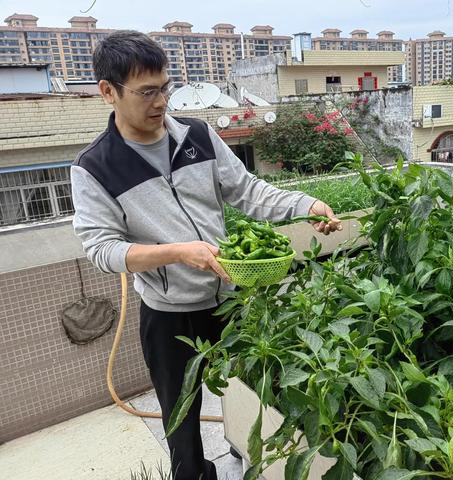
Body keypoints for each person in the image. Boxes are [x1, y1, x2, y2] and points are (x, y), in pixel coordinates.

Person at [70, 30, 342, 480]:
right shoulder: (95, 167)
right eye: (146, 92)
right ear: (108, 92)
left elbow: (247, 190)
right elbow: (103, 250)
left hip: (233, 300)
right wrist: (177, 252)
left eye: (165, 88)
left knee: (263, 389)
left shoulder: (196, 134)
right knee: (183, 425)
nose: (160, 102)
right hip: (170, 316)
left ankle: (249, 451)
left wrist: (304, 204)